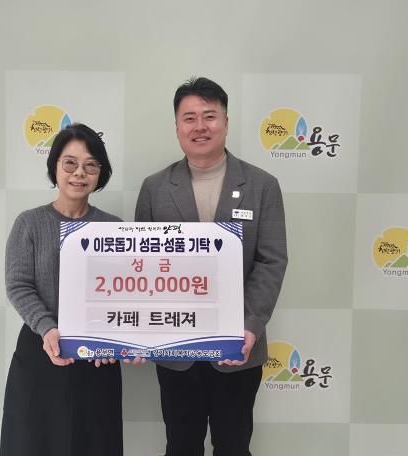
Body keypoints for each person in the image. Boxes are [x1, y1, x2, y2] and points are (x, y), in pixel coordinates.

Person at [135, 77, 288, 456]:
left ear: (226, 122)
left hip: (237, 347)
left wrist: (249, 326)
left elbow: (271, 260)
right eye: (189, 118)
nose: (199, 126)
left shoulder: (261, 186)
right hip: (176, 350)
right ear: (177, 127)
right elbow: (143, 266)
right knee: (181, 445)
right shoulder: (155, 188)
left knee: (234, 446)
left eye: (209, 116)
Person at [0, 123, 123, 456]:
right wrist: (48, 328)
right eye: (70, 163)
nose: (79, 173)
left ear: (100, 173)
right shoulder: (29, 223)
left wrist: (119, 339)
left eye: (90, 165)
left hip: (98, 357)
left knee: (94, 442)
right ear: (54, 166)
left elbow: (124, 294)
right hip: (42, 349)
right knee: (34, 443)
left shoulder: (114, 228)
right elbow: (18, 284)